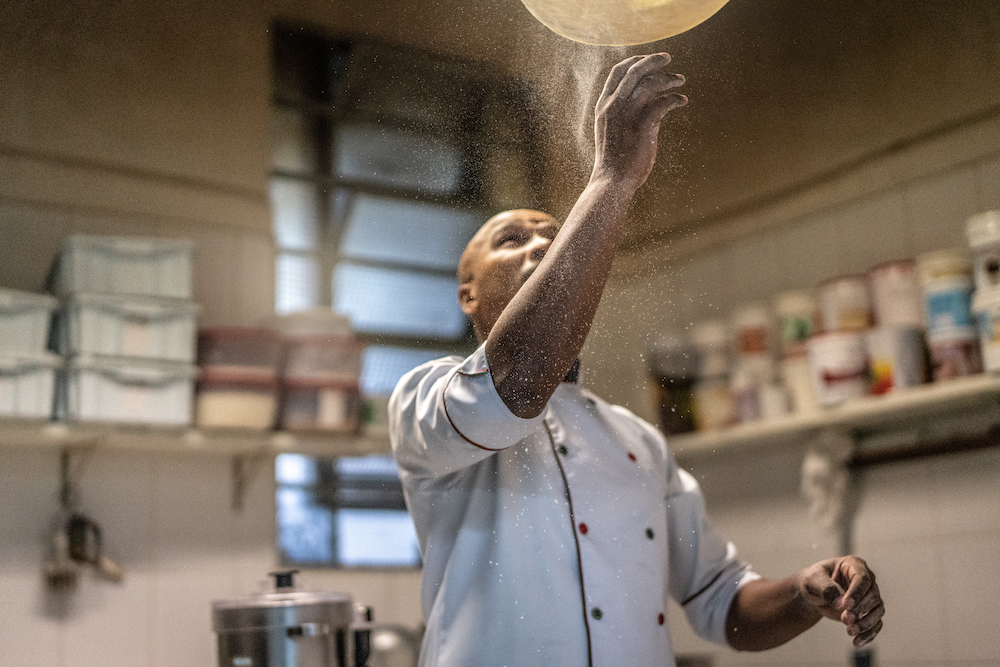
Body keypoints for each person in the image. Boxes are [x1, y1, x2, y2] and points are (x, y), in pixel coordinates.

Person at [389, 53, 884, 667]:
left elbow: (723, 602)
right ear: (466, 293)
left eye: (555, 233)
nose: (542, 243)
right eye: (513, 239)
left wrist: (805, 594)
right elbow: (508, 389)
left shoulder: (638, 443)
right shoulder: (424, 401)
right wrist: (611, 179)